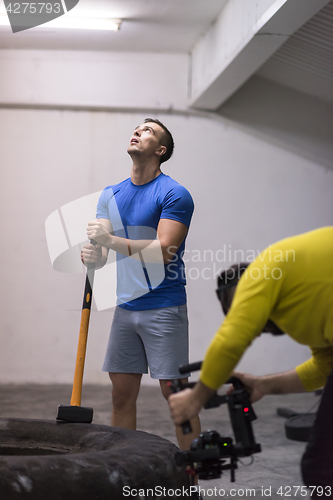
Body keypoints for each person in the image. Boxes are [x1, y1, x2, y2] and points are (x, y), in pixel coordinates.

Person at [168, 226, 333, 494]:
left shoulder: (259, 275)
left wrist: (195, 398)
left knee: (323, 467)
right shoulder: (307, 296)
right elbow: (325, 367)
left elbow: (230, 341)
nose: (258, 330)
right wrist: (264, 385)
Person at [81, 118, 200, 452]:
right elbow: (103, 251)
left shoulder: (175, 194)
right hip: (126, 308)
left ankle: (192, 476)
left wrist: (108, 240)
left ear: (160, 151)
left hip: (164, 307)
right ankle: (125, 470)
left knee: (176, 397)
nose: (137, 132)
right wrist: (93, 252)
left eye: (148, 131)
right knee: (121, 396)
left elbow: (164, 251)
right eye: (137, 129)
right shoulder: (111, 194)